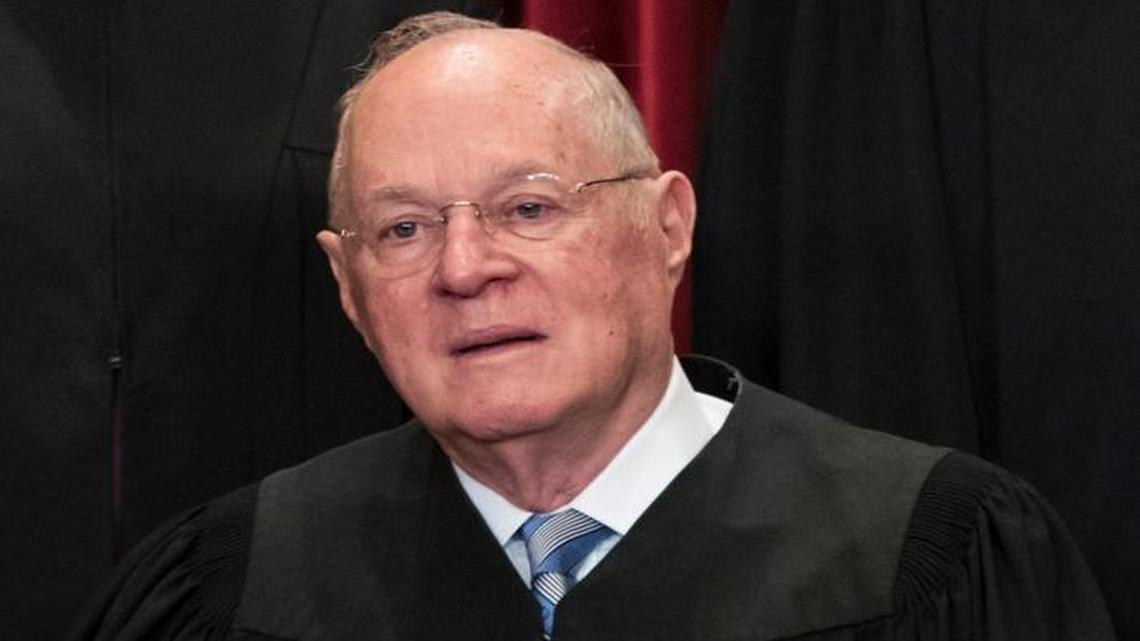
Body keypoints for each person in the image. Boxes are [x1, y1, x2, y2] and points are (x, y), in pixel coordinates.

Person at [69, 11, 1116, 641]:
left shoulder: (938, 561)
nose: (466, 267)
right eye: (403, 227)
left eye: (529, 205)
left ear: (666, 225)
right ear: (348, 286)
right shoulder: (224, 588)